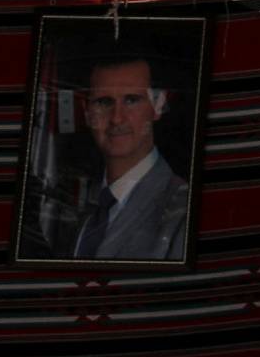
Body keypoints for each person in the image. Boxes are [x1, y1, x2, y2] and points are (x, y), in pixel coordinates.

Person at [61, 51, 192, 263]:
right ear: (86, 112)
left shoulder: (182, 211)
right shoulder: (75, 206)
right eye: (104, 102)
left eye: (131, 100)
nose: (116, 118)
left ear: (158, 104)